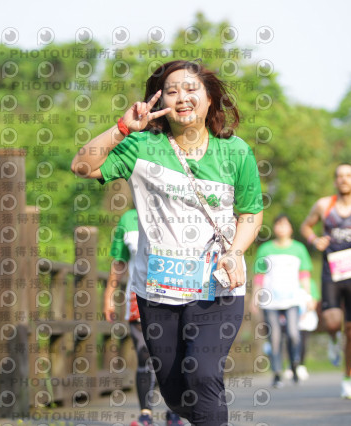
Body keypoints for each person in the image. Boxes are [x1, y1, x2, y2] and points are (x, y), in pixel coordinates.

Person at [71, 60, 263, 425]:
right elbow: (81, 166)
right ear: (160, 100)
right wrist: (123, 128)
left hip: (217, 286)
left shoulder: (235, 151)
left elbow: (251, 214)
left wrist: (235, 252)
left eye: (191, 89)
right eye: (172, 90)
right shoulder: (141, 144)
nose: (182, 97)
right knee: (176, 394)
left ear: (209, 99)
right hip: (157, 289)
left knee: (204, 375)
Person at [300, 163, 351, 400]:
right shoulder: (324, 205)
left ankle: (347, 380)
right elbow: (306, 226)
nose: (344, 180)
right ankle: (333, 339)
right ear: (335, 181)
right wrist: (314, 239)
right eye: (340, 176)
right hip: (331, 272)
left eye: (348, 176)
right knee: (333, 321)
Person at [103, 208, 183, 426]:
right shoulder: (128, 219)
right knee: (144, 355)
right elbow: (120, 261)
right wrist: (109, 295)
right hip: (137, 296)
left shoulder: (176, 211)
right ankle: (145, 414)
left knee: (172, 356)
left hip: (173, 294)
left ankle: (173, 411)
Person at [252, 214, 314, 388]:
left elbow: (304, 274)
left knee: (294, 334)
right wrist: (255, 298)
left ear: (290, 228)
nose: (282, 228)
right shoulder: (265, 249)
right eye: (278, 225)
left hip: (292, 299)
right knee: (275, 338)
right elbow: (259, 276)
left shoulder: (299, 249)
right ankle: (277, 372)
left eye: (285, 225)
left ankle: (294, 364)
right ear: (275, 228)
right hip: (270, 300)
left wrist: (308, 297)